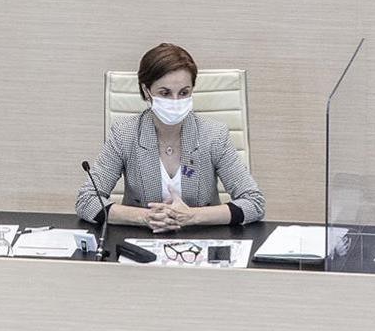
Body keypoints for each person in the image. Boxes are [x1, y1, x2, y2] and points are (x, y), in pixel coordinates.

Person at [76, 43, 265, 233]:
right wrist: (145, 217)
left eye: (184, 92)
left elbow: (254, 203)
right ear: (146, 91)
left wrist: (192, 216)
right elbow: (87, 201)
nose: (176, 101)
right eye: (165, 93)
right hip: (140, 243)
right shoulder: (125, 134)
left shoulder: (214, 135)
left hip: (201, 243)